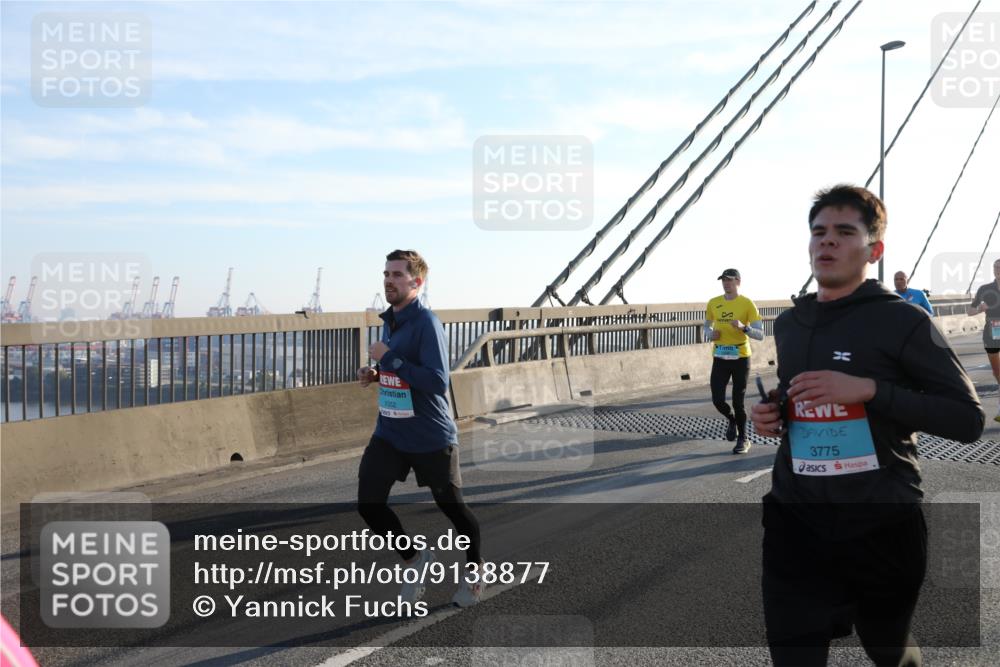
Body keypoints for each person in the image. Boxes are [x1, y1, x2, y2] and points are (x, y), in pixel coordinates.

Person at [751, 184, 984, 666]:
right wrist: (774, 412)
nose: (826, 242)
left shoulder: (904, 321)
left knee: (889, 650)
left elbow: (967, 419)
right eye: (818, 232)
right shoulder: (790, 324)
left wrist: (869, 391)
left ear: (873, 249)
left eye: (843, 232)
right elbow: (799, 391)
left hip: (881, 520)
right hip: (796, 519)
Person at [356, 249, 484, 607]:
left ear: (417, 282)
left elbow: (437, 381)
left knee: (454, 509)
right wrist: (376, 374)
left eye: (397, 275)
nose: (389, 280)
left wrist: (388, 358)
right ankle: (415, 559)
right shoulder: (390, 321)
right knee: (369, 504)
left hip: (429, 434)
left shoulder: (427, 322)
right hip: (391, 432)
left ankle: (474, 574)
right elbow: (399, 370)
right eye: (386, 273)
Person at [704, 268, 764, 454]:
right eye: (723, 280)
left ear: (738, 281)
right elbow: (707, 325)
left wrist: (743, 328)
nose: (726, 283)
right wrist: (709, 334)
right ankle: (732, 420)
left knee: (739, 401)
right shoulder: (714, 303)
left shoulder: (747, 304)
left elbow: (760, 334)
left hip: (741, 357)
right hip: (720, 356)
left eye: (729, 280)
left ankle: (743, 439)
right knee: (717, 399)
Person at [968, 258, 1000, 422]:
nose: (998, 270)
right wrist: (980, 308)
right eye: (996, 267)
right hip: (992, 330)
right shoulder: (985, 289)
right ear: (993, 270)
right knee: (996, 370)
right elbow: (970, 311)